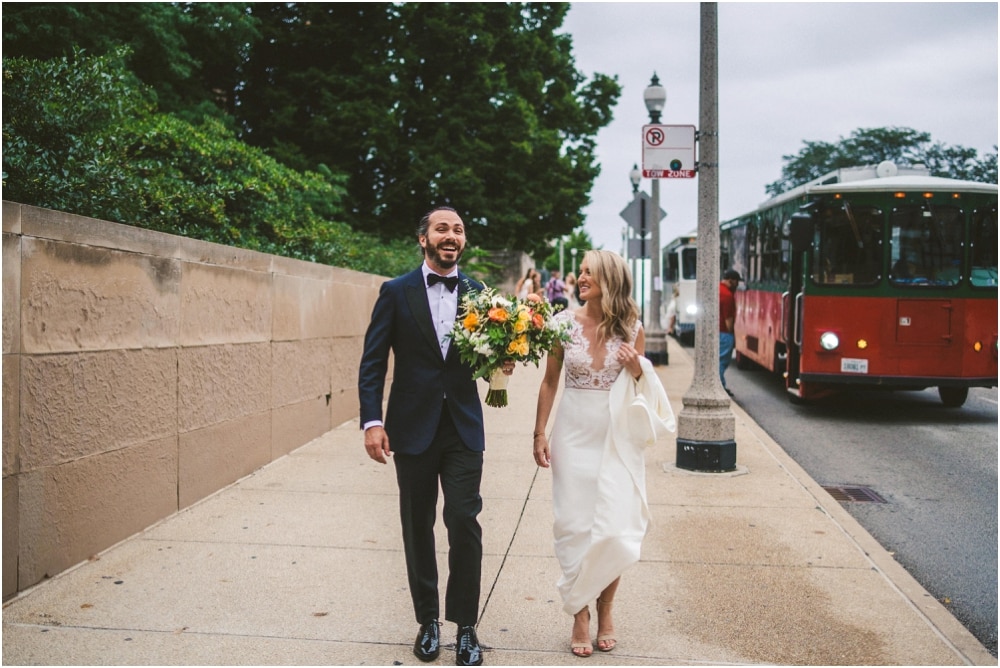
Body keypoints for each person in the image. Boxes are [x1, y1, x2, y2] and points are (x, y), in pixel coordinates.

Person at [358, 206, 512, 666]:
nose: (451, 236)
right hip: (411, 428)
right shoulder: (395, 292)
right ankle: (428, 622)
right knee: (416, 525)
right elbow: (372, 363)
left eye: (458, 230)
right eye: (442, 228)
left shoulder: (481, 295)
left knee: (464, 523)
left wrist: (501, 367)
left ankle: (466, 627)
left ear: (463, 242)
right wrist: (372, 422)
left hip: (463, 427)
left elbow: (490, 360)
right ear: (422, 238)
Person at [532, 250, 675, 658]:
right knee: (575, 525)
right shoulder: (562, 324)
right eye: (580, 273)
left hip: (617, 440)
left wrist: (636, 369)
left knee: (613, 527)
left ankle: (606, 607)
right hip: (573, 434)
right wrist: (539, 432)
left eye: (588, 273)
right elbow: (549, 382)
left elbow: (645, 392)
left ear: (609, 279)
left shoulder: (632, 329)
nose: (580, 278)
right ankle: (580, 613)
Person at [719, 268, 741, 397]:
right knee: (722, 361)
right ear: (731, 281)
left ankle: (720, 384)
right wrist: (731, 332)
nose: (737, 285)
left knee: (717, 360)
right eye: (737, 282)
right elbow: (728, 320)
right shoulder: (727, 295)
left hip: (715, 331)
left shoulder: (717, 290)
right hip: (723, 333)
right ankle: (720, 386)